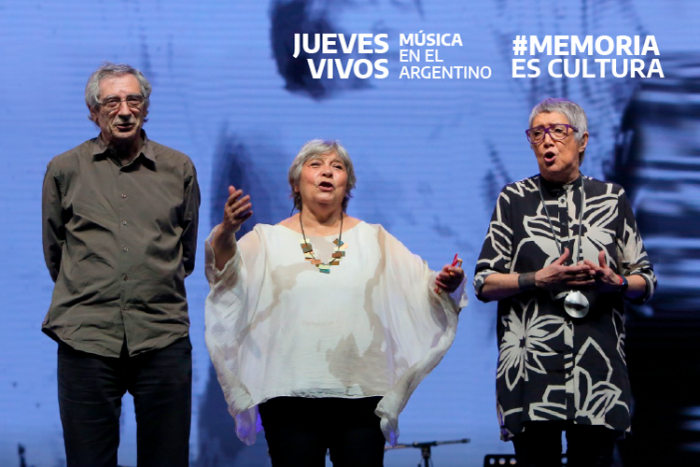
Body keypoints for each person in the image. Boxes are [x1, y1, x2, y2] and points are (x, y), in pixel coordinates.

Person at [205, 139, 467, 466]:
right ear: (296, 184)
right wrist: (227, 230)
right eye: (315, 164)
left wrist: (444, 284)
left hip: (360, 393)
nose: (327, 171)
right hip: (289, 393)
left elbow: (422, 286)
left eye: (337, 166)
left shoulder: (375, 239)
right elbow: (224, 275)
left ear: (347, 186)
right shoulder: (266, 239)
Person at [473, 98, 656, 467]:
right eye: (537, 133)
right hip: (530, 370)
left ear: (582, 140)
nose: (547, 141)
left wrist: (615, 282)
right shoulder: (514, 199)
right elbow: (484, 282)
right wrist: (535, 278)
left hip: (597, 369)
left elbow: (645, 281)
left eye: (558, 130)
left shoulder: (611, 198)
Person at [42, 62, 200, 467]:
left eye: (134, 100)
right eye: (112, 101)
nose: (125, 110)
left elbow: (184, 255)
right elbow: (56, 251)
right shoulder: (64, 170)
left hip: (161, 336)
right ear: (93, 112)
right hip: (86, 338)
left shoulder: (178, 168)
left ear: (146, 109)